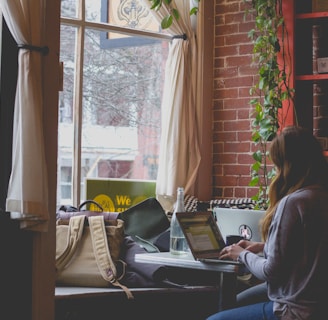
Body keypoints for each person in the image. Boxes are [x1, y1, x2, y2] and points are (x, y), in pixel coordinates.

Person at [207, 126, 328, 320]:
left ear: (287, 165)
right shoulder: (320, 196)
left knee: (215, 318)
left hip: (296, 308)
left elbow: (271, 272)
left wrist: (241, 254)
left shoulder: (293, 203)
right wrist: (263, 247)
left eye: (277, 163)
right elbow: (310, 249)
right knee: (233, 302)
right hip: (319, 303)